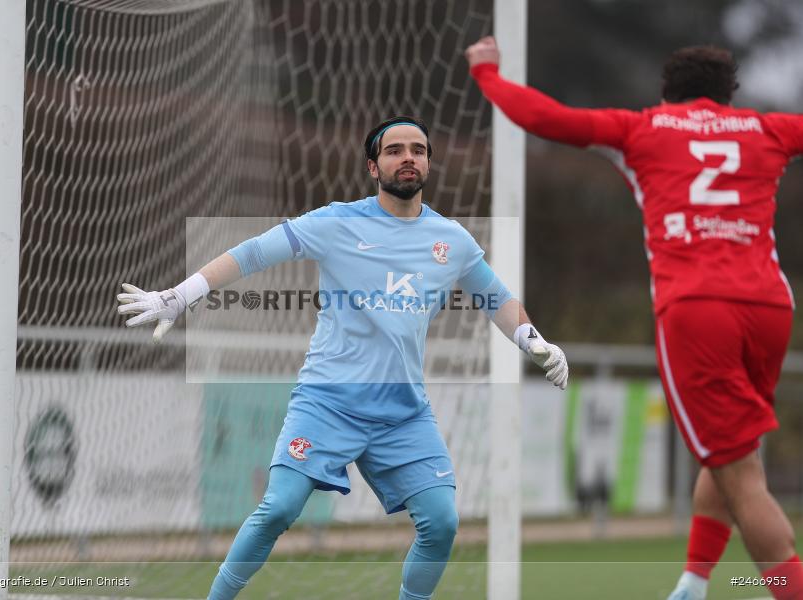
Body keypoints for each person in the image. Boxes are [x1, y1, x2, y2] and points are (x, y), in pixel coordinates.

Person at [116, 115, 569, 600]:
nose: (408, 158)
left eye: (418, 150)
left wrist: (532, 340)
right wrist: (181, 296)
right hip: (328, 402)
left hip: (403, 413)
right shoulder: (336, 222)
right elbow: (252, 253)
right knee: (278, 509)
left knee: (441, 523)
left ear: (428, 163)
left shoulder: (452, 240)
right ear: (373, 167)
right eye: (394, 150)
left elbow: (496, 298)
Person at [466, 36, 803, 600]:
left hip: (698, 309)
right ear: (729, 95)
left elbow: (548, 119)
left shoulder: (644, 128)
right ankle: (694, 582)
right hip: (770, 307)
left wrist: (487, 75)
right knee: (729, 453)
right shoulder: (768, 129)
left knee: (740, 473)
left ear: (668, 94)